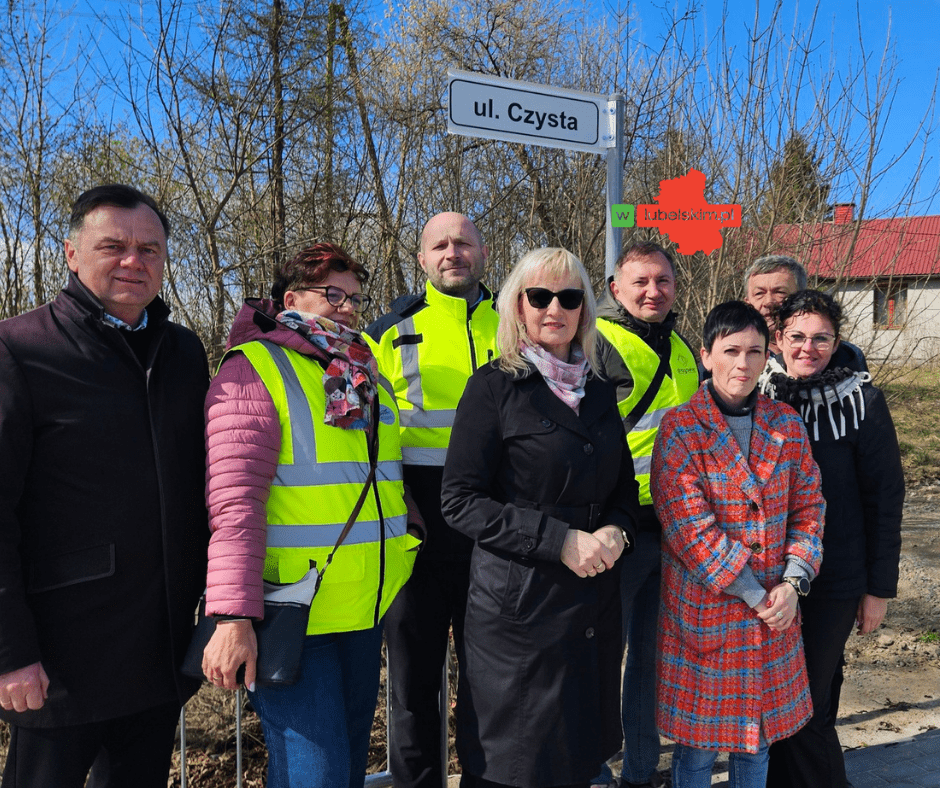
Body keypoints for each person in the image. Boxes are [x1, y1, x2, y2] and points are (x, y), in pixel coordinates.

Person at [0, 184, 210, 788]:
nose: (133, 261)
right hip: (60, 662)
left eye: (149, 249)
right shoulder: (20, 349)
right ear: (69, 252)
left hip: (159, 649)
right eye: (113, 245)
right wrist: (10, 649)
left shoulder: (183, 352)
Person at [201, 243, 421, 788]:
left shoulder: (362, 370)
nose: (347, 307)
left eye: (354, 297)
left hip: (363, 605)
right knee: (315, 775)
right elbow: (234, 503)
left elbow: (383, 472)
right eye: (333, 294)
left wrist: (409, 533)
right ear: (290, 297)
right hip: (291, 612)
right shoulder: (252, 368)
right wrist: (232, 617)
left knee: (342, 771)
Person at [441, 247, 641, 788]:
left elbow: (625, 488)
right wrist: (559, 541)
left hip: (592, 606)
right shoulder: (493, 387)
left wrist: (617, 531)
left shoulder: (599, 389)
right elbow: (459, 500)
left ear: (585, 310)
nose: (555, 308)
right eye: (540, 296)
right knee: (516, 765)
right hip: (519, 612)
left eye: (569, 297)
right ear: (518, 307)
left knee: (577, 760)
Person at [650, 300, 824, 788]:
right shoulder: (680, 427)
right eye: (731, 351)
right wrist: (753, 593)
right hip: (707, 614)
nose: (743, 365)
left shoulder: (786, 425)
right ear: (706, 355)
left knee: (757, 743)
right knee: (698, 749)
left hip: (776, 611)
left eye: (754, 352)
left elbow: (810, 508)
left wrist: (793, 582)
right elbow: (689, 528)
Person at [366, 213, 500, 788]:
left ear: (484, 253)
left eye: (464, 242)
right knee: (413, 681)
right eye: (440, 245)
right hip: (415, 515)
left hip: (494, 516)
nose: (453, 252)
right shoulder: (387, 330)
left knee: (489, 678)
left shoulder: (519, 321)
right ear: (422, 258)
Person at [759, 290, 904, 788]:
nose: (808, 348)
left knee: (806, 705)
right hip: (767, 578)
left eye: (821, 338)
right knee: (779, 701)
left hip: (836, 579)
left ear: (837, 340)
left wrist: (879, 590)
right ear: (777, 338)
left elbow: (885, 498)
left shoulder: (861, 400)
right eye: (797, 337)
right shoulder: (757, 395)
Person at [594, 241, 699, 788]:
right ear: (616, 288)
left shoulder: (684, 347)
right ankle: (591, 770)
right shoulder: (594, 339)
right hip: (615, 526)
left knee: (650, 666)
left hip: (675, 529)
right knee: (597, 657)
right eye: (640, 282)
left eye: (662, 281)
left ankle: (640, 772)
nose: (653, 291)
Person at [743, 255, 867, 369]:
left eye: (780, 292)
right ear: (747, 302)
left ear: (801, 297)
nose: (769, 302)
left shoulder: (847, 356)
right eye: (759, 294)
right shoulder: (736, 354)